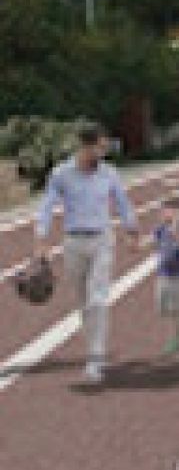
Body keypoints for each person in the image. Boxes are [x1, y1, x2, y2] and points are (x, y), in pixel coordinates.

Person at [33, 125, 140, 385]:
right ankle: (94, 348)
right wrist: (41, 239)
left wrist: (132, 230)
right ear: (85, 146)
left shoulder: (109, 174)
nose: (103, 152)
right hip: (73, 243)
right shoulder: (61, 174)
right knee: (83, 302)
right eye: (100, 147)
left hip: (102, 240)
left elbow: (122, 203)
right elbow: (47, 206)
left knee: (97, 300)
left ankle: (95, 359)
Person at [152, 192, 179, 357]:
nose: (162, 213)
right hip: (162, 273)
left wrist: (175, 227)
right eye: (162, 210)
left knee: (177, 307)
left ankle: (175, 339)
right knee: (162, 307)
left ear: (177, 212)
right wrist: (137, 245)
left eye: (166, 210)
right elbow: (152, 241)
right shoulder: (160, 229)